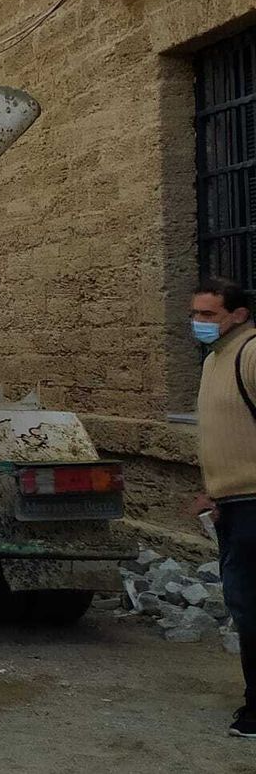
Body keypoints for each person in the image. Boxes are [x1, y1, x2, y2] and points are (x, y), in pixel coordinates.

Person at [190, 276, 256, 738]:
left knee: (251, 607)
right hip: (234, 505)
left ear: (238, 316)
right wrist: (214, 491)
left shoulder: (251, 354)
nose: (198, 323)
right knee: (244, 605)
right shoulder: (215, 360)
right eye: (194, 314)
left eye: (209, 315)